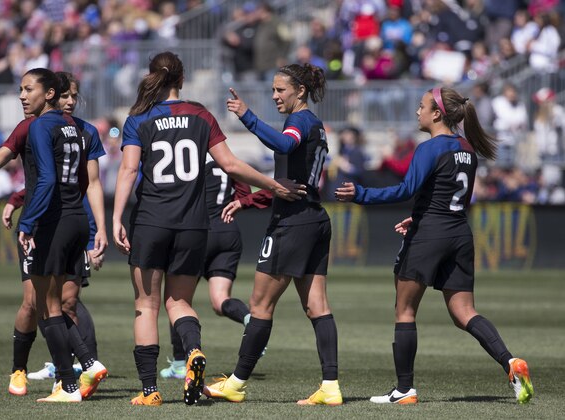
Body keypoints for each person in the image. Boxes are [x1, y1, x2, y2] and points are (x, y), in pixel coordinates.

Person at [112, 51, 303, 407]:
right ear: (181, 80)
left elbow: (126, 171)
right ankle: (194, 351)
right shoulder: (201, 115)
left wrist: (115, 218)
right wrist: (273, 185)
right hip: (194, 226)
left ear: (152, 77)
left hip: (152, 221)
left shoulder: (139, 118)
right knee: (180, 301)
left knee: (147, 305)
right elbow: (230, 164)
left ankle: (150, 390)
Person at [334, 86, 534, 405]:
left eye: (421, 106)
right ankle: (510, 362)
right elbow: (455, 199)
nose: (417, 112)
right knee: (464, 312)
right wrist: (419, 217)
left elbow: (405, 190)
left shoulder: (430, 148)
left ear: (437, 113)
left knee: (404, 310)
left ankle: (404, 390)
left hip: (431, 236)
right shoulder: (467, 149)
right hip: (458, 233)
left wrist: (361, 195)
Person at [204, 63, 342, 406]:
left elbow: (282, 143)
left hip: (292, 224)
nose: (275, 96)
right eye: (273, 90)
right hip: (314, 219)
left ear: (300, 91)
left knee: (260, 305)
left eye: (281, 90)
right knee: (317, 305)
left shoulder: (300, 121)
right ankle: (330, 386)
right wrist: (249, 201)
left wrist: (247, 116)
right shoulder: (316, 125)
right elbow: (292, 184)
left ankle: (236, 383)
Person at [0, 69, 107, 402]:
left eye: (28, 89)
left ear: (49, 94)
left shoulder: (47, 126)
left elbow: (47, 180)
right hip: (73, 219)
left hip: (50, 222)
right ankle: (71, 367)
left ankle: (70, 380)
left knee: (51, 306)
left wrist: (27, 220)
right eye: (20, 89)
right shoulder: (72, 129)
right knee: (42, 303)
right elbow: (0, 162)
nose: (21, 95)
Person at [159, 156, 266, 380]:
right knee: (220, 301)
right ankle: (249, 319)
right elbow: (245, 193)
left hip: (199, 232)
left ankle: (180, 363)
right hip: (228, 231)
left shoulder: (192, 159)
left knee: (178, 300)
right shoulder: (228, 161)